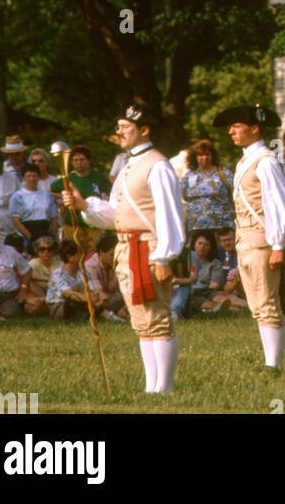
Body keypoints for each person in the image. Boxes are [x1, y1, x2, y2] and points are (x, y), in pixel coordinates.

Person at [62, 103, 185, 394]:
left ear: (144, 130)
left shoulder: (158, 165)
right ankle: (151, 387)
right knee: (141, 323)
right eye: (118, 128)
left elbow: (171, 214)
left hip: (149, 249)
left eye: (126, 128)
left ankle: (163, 389)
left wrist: (165, 256)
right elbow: (115, 215)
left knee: (158, 320)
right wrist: (83, 206)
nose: (120, 133)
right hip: (127, 249)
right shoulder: (127, 165)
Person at [219, 104, 285, 370]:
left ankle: (274, 364)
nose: (231, 132)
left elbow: (280, 204)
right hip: (246, 239)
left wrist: (278, 245)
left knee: (268, 303)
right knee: (257, 305)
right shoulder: (246, 160)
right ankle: (269, 360)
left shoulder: (265, 161)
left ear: (254, 129)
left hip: (263, 239)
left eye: (236, 126)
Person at [51, 145, 111, 255]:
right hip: (73, 224)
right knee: (72, 255)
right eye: (76, 160)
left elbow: (112, 192)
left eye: (82, 159)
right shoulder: (68, 178)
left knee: (93, 256)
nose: (79, 163)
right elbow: (51, 190)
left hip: (93, 224)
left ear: (88, 161)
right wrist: (65, 197)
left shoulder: (98, 177)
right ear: (72, 162)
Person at [180, 139, 235, 239]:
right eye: (200, 155)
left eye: (207, 154)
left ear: (212, 156)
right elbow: (184, 196)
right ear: (195, 157)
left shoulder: (224, 173)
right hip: (196, 228)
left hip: (221, 227)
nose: (204, 157)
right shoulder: (189, 175)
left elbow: (234, 194)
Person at [0, 215, 33, 320]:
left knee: (12, 314)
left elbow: (28, 270)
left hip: (7, 296)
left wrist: (22, 291)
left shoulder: (9, 251)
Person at [9, 163, 59, 251]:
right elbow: (16, 221)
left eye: (34, 176)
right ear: (23, 178)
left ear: (38, 177)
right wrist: (31, 238)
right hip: (27, 235)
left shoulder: (46, 195)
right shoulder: (17, 196)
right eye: (28, 176)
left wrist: (52, 236)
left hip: (45, 232)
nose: (32, 179)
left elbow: (54, 217)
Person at [46, 239, 93, 321]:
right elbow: (68, 293)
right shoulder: (57, 274)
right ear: (70, 257)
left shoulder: (85, 272)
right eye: (80, 253)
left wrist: (94, 297)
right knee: (72, 298)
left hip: (83, 302)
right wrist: (89, 299)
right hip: (60, 305)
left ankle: (90, 312)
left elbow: (92, 290)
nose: (84, 256)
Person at [84, 230, 127, 319]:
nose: (115, 258)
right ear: (102, 252)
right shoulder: (91, 265)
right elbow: (98, 292)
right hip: (99, 300)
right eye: (112, 255)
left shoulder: (116, 263)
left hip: (114, 298)